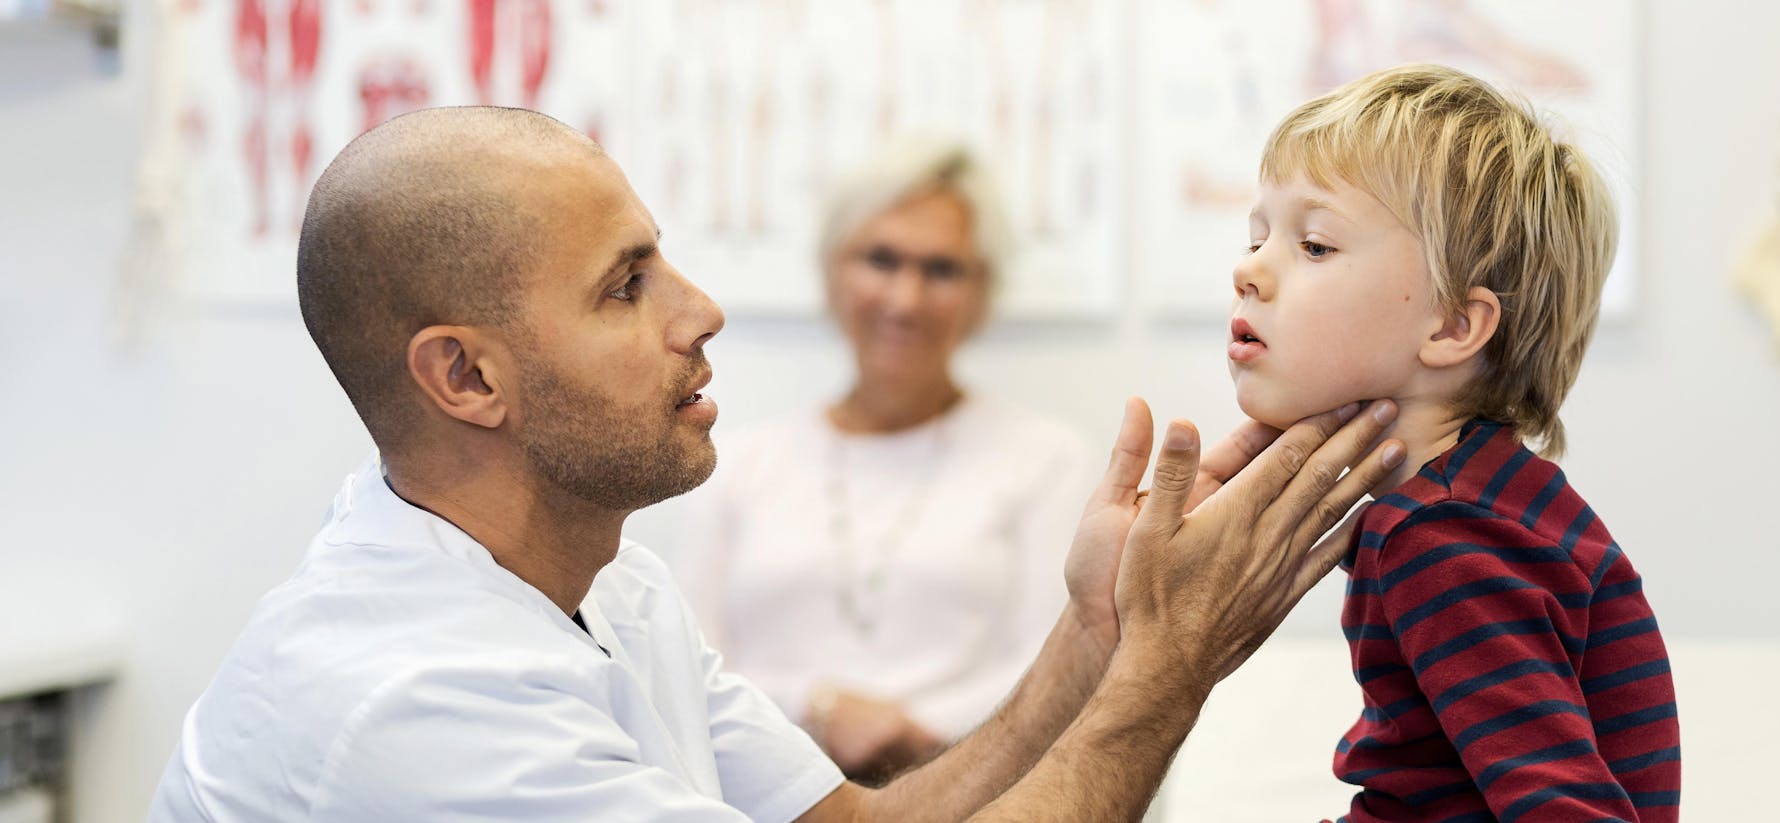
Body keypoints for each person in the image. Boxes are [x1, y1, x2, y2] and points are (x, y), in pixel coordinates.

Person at [147, 105, 1408, 822]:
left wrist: (1098, 634)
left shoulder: (600, 587)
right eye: (626, 286)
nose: (700, 311)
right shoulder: (422, 699)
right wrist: (1168, 663)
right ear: (466, 377)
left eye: (664, 258)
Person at [1223, 65, 1680, 821]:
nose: (1248, 269)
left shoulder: (1441, 540)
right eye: (1257, 236)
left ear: (1452, 327)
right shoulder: (1496, 502)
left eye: (1312, 244)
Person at [677, 136, 1086, 782]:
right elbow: (688, 665)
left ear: (984, 291)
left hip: (967, 792)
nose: (906, 299)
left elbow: (1058, 662)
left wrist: (914, 733)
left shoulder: (1046, 460)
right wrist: (820, 709)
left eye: (942, 269)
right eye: (881, 259)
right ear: (832, 270)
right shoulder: (738, 461)